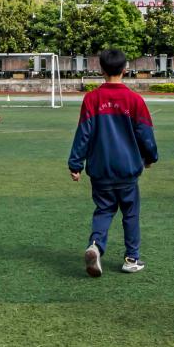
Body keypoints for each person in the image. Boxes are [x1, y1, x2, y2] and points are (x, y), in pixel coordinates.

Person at [68, 49, 158, 277]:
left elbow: (83, 134)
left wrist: (75, 164)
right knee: (130, 213)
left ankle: (96, 245)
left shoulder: (92, 98)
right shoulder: (134, 100)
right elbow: (145, 133)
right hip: (127, 169)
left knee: (104, 210)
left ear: (101, 70)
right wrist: (150, 158)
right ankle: (131, 258)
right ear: (125, 70)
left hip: (100, 169)